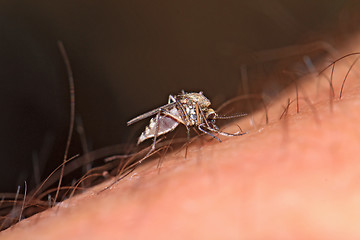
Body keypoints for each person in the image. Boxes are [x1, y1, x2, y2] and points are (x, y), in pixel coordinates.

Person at [2, 36, 360, 239]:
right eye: (208, 123)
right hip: (171, 114)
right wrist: (181, 120)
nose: (208, 124)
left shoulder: (203, 110)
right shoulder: (191, 111)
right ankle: (158, 135)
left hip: (187, 110)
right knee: (177, 116)